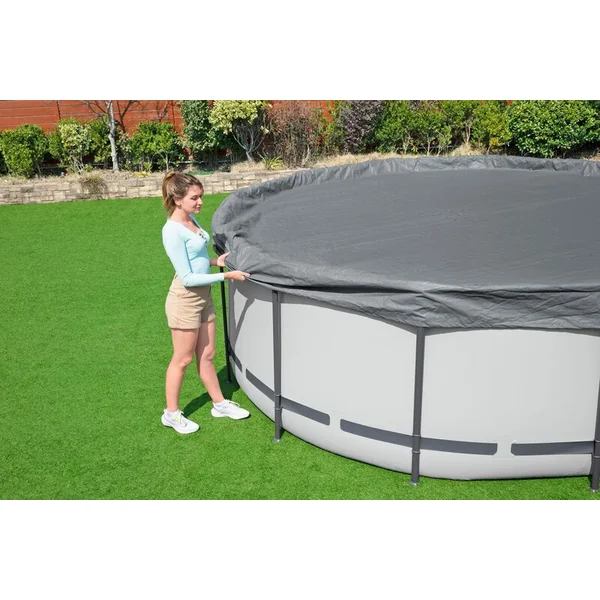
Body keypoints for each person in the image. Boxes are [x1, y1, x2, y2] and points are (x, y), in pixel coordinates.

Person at [161, 171, 250, 434]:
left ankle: (219, 404)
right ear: (177, 200)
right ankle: (171, 414)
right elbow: (187, 277)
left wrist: (214, 261)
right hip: (185, 300)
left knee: (208, 354)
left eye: (201, 196)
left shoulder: (191, 219)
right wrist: (226, 275)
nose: (200, 201)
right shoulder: (172, 231)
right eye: (194, 197)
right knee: (183, 359)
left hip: (204, 296)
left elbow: (196, 257)